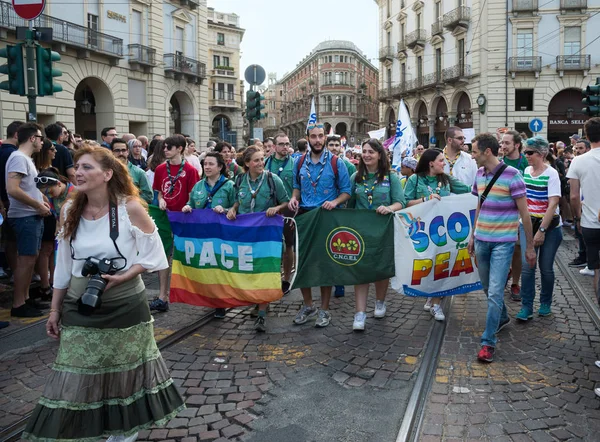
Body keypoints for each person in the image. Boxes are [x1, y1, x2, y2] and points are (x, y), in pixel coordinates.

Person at [23, 146, 185, 442]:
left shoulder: (130, 208)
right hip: (79, 304)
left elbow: (155, 256)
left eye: (86, 167)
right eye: (76, 167)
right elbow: (64, 265)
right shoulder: (69, 209)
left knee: (124, 373)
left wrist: (125, 274)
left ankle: (124, 431)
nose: (77, 172)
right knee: (77, 371)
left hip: (125, 305)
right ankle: (82, 428)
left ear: (107, 174)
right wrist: (55, 310)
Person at [468, 133, 536, 363]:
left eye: (475, 151)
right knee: (488, 289)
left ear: (487, 151)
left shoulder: (513, 175)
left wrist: (529, 246)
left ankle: (488, 342)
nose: (472, 155)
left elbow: (525, 214)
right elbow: (479, 204)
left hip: (503, 243)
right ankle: (503, 316)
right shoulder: (478, 174)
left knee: (496, 292)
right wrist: (471, 235)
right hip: (481, 240)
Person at [288, 123, 352, 328]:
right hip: (305, 217)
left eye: (320, 136)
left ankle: (324, 309)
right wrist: (293, 198)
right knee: (303, 264)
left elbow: (346, 191)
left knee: (325, 264)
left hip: (327, 217)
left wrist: (335, 202)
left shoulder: (336, 163)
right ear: (307, 137)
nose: (317, 140)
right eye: (313, 136)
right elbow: (297, 187)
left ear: (325, 138)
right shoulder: (298, 162)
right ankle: (308, 305)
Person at [226, 146, 290, 332]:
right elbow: (238, 199)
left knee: (266, 272)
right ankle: (259, 300)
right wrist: (234, 208)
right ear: (247, 163)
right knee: (251, 272)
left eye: (262, 159)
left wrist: (276, 209)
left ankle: (261, 314)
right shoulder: (239, 180)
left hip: (268, 236)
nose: (261, 163)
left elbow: (285, 201)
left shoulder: (272, 179)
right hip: (247, 235)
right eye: (256, 160)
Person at [404, 148, 472, 321]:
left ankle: (436, 303)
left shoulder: (447, 179)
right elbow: (405, 202)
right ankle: (431, 293)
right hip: (422, 231)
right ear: (431, 163)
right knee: (427, 263)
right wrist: (425, 200)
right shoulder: (415, 179)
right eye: (441, 160)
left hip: (442, 230)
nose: (445, 163)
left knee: (443, 263)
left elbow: (468, 190)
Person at [348, 139, 406, 330]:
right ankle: (360, 313)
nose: (366, 155)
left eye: (371, 152)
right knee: (361, 271)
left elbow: (400, 202)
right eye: (364, 151)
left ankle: (380, 301)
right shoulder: (355, 177)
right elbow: (349, 205)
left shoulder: (391, 177)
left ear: (379, 155)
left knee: (381, 269)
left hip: (383, 231)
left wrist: (389, 208)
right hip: (361, 232)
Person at [149, 135, 200, 312]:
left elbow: (194, 196)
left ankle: (194, 292)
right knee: (163, 255)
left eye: (169, 147)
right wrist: (161, 199)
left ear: (179, 149)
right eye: (164, 147)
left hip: (184, 219)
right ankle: (162, 296)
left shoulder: (191, 171)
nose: (165, 150)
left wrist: (188, 205)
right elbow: (159, 191)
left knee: (187, 256)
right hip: (165, 217)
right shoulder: (161, 169)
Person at [515, 136, 563, 321]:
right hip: (527, 225)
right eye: (525, 152)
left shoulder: (551, 174)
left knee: (546, 268)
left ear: (542, 154)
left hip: (549, 227)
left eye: (530, 152)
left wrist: (541, 231)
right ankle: (526, 306)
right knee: (528, 267)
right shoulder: (526, 170)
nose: (526, 155)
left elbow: (553, 205)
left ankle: (545, 303)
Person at [6, 123, 52, 317]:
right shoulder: (18, 158)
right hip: (25, 217)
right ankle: (19, 304)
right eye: (41, 138)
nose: (43, 142)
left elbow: (27, 187)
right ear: (32, 138)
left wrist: (41, 199)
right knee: (26, 260)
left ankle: (24, 299)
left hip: (31, 215)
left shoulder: (25, 159)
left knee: (30, 258)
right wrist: (37, 205)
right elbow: (13, 189)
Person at [568, 118, 600, 309]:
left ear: (587, 136)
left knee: (597, 270)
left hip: (590, 224)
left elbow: (573, 196)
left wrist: (577, 218)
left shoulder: (578, 161)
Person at [264, 133, 296, 291]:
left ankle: (287, 278)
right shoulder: (265, 164)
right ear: (274, 146)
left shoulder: (295, 164)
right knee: (270, 246)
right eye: (282, 144)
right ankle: (271, 276)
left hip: (288, 211)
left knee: (288, 245)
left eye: (287, 144)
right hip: (268, 211)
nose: (285, 147)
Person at [500, 131, 527, 302]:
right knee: (502, 250)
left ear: (516, 145)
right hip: (503, 213)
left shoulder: (525, 161)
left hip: (521, 212)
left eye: (506, 143)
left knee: (517, 250)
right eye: (501, 143)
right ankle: (504, 272)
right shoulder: (499, 163)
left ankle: (515, 283)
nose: (502, 146)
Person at [32, 138, 58, 300]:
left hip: (52, 211)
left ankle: (53, 281)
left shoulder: (50, 168)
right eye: (52, 149)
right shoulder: (37, 168)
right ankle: (45, 285)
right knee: (46, 249)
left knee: (51, 250)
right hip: (46, 211)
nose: (55, 152)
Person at [0, 120, 24, 285]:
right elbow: (14, 186)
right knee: (12, 240)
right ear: (17, 135)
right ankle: (17, 273)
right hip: (10, 201)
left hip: (5, 200)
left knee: (7, 239)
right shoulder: (14, 154)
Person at [111, 138, 153, 204]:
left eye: (123, 150)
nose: (121, 153)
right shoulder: (105, 172)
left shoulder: (139, 173)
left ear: (127, 152)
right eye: (117, 150)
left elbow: (148, 196)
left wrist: (129, 199)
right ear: (111, 152)